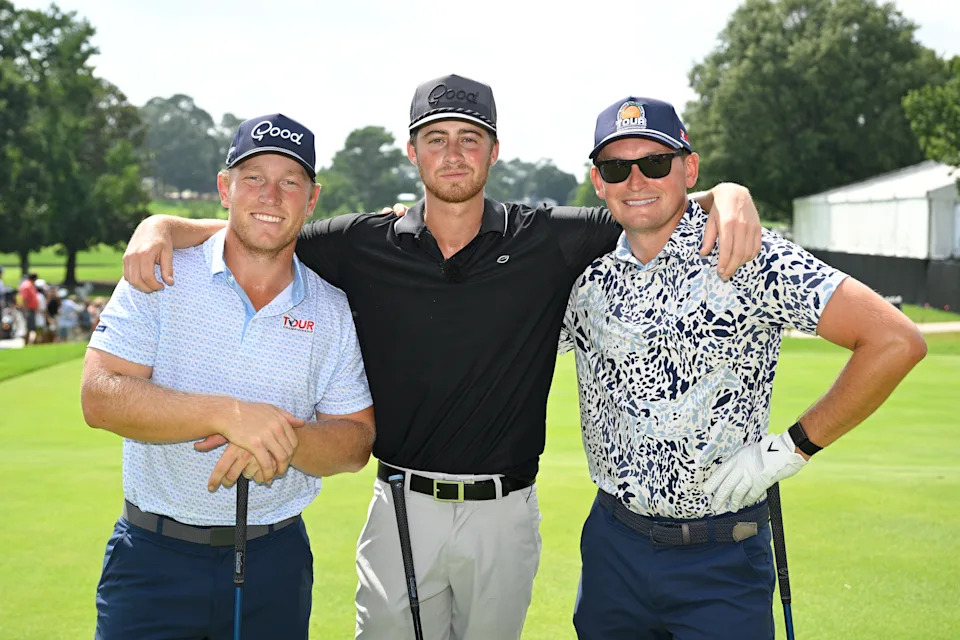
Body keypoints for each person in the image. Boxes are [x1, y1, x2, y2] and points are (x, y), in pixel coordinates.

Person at [121, 75, 762, 640]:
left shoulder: (549, 237)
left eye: (469, 138)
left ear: (493, 151)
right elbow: (262, 227)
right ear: (413, 152)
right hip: (400, 502)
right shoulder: (360, 242)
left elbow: (647, 206)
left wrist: (727, 193)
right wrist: (163, 227)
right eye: (436, 139)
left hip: (505, 511)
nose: (452, 154)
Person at [561, 96, 927, 639]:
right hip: (614, 550)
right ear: (598, 180)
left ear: (689, 167)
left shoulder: (745, 250)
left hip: (720, 559)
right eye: (617, 167)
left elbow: (895, 340)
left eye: (656, 163)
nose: (636, 179)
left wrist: (793, 447)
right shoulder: (582, 274)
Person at [80, 113, 376, 640]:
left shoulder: (331, 307)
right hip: (153, 559)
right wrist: (229, 416)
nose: (271, 194)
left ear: (311, 201)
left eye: (290, 182)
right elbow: (100, 396)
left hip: (275, 563)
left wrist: (281, 439)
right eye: (254, 178)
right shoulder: (162, 270)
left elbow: (355, 444)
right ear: (225, 188)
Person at [17, 273, 39, 345]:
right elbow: (25, 299)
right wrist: (26, 310)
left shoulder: (29, 285)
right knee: (30, 328)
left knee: (30, 328)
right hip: (28, 309)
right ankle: (28, 343)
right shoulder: (27, 286)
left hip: (30, 309)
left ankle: (29, 343)